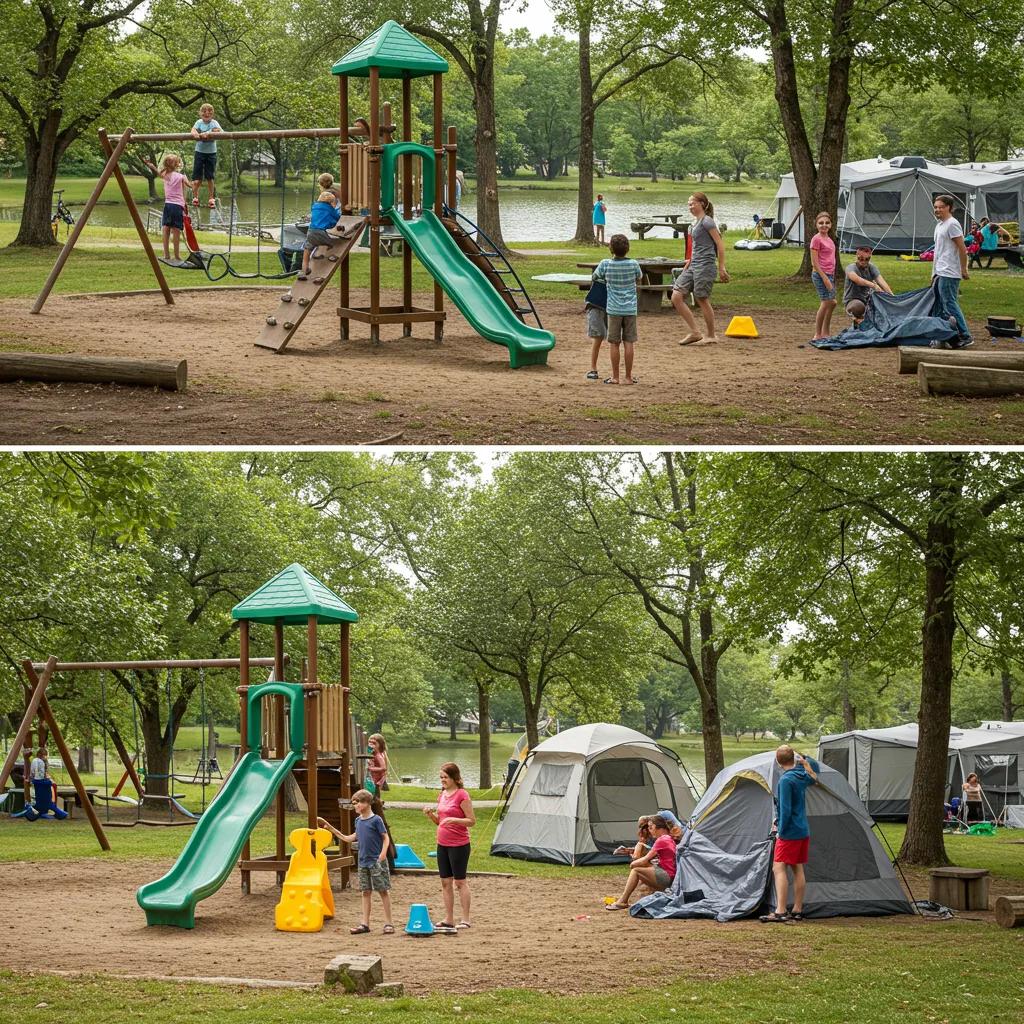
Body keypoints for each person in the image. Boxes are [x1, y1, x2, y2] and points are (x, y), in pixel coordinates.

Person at [317, 789, 394, 935]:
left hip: (377, 862)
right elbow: (349, 838)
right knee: (366, 892)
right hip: (363, 862)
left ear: (366, 803)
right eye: (354, 803)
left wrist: (383, 853)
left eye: (357, 802)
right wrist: (333, 830)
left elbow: (385, 838)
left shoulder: (376, 820)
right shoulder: (358, 821)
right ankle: (365, 924)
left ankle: (389, 923)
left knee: (383, 891)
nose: (355, 806)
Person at [761, 745, 818, 923]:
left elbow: (785, 810)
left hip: (790, 832)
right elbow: (815, 768)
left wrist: (780, 833)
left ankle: (780, 911)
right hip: (802, 830)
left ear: (778, 761)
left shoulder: (785, 781)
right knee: (797, 868)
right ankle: (797, 910)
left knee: (778, 868)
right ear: (793, 758)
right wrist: (804, 759)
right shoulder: (804, 775)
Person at [422, 762, 475, 929]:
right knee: (445, 882)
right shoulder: (442, 794)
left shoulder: (462, 795)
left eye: (445, 777)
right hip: (442, 844)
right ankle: (449, 918)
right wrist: (430, 814)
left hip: (459, 844)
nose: (442, 780)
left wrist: (456, 820)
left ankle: (465, 919)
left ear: (454, 778)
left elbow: (471, 821)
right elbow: (440, 821)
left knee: (460, 882)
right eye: (441, 777)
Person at [672, 192, 730, 346]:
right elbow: (696, 247)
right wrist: (688, 263)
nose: (690, 206)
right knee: (676, 296)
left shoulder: (707, 222)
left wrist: (721, 267)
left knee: (701, 298)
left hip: (706, 265)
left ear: (702, 204)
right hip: (693, 265)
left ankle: (711, 335)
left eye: (693, 203)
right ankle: (695, 332)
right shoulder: (693, 224)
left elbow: (720, 244)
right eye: (689, 204)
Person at [592, 233, 641, 385]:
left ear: (611, 249)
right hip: (630, 308)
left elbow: (595, 277)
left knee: (614, 343)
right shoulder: (633, 264)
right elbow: (639, 277)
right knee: (629, 342)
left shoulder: (606, 264)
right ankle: (628, 377)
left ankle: (615, 377)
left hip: (613, 309)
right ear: (627, 249)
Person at [604, 814, 676, 910]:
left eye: (651, 828)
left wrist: (633, 864)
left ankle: (622, 902)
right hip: (670, 875)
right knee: (643, 868)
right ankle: (642, 897)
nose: (650, 831)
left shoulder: (662, 840)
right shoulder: (668, 838)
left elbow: (645, 859)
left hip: (666, 877)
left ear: (656, 827)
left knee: (636, 871)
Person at [931, 195, 972, 347]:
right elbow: (938, 251)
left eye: (941, 207)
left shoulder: (952, 224)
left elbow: (962, 248)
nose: (937, 210)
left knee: (949, 303)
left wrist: (963, 268)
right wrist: (934, 272)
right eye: (935, 207)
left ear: (949, 207)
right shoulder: (939, 225)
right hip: (940, 271)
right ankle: (946, 335)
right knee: (940, 305)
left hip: (950, 271)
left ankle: (965, 335)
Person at [142, 153, 190, 261]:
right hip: (178, 206)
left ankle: (166, 255)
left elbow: (156, 170)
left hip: (168, 205)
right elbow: (189, 186)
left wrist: (149, 164)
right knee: (176, 231)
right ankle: (177, 256)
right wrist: (195, 183)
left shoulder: (165, 175)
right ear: (177, 165)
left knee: (166, 229)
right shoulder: (181, 176)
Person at [842, 245, 894, 324]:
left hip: (868, 299)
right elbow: (857, 279)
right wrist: (873, 285)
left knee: (884, 301)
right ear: (857, 256)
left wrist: (892, 297)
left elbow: (882, 282)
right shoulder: (851, 268)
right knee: (858, 307)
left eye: (867, 259)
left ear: (870, 258)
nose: (863, 261)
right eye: (861, 259)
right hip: (852, 300)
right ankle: (857, 318)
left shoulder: (871, 267)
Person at [298, 189, 341, 280]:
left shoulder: (314, 206)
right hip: (321, 233)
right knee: (335, 244)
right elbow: (337, 217)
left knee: (307, 251)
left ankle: (303, 271)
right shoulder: (330, 208)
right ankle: (331, 255)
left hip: (310, 232)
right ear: (331, 201)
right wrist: (336, 209)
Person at [809, 211, 837, 340]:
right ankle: (817, 334)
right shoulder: (816, 239)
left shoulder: (830, 240)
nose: (824, 225)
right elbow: (814, 262)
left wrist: (830, 276)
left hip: (830, 274)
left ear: (830, 225)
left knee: (833, 303)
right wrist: (824, 278)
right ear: (816, 225)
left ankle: (826, 332)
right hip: (820, 275)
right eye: (821, 223)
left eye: (827, 223)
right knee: (826, 302)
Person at [190, 103, 222, 209]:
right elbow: (193, 130)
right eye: (204, 111)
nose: (207, 113)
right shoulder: (199, 122)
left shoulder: (214, 123)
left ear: (212, 114)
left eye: (209, 111)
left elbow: (218, 131)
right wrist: (195, 134)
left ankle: (211, 198)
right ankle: (195, 197)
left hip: (211, 153)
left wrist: (208, 133)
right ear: (200, 113)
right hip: (199, 152)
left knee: (210, 176)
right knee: (197, 178)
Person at [28, 746, 67, 821]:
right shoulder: (40, 762)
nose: (45, 757)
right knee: (47, 804)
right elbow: (39, 773)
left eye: (45, 755)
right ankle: (61, 814)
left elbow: (35, 772)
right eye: (44, 755)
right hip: (42, 784)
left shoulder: (36, 761)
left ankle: (61, 814)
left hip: (40, 784)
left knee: (43, 804)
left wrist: (32, 778)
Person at [583, 278, 608, 381]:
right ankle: (593, 368)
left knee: (614, 339)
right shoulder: (604, 265)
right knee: (598, 337)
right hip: (597, 306)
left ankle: (616, 373)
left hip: (611, 306)